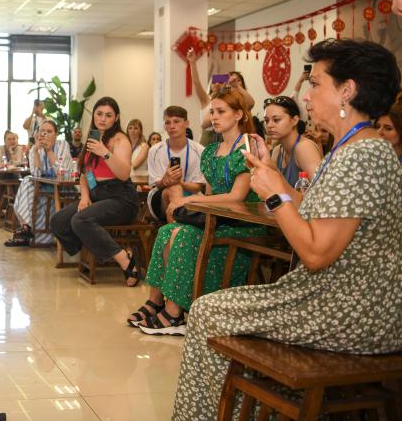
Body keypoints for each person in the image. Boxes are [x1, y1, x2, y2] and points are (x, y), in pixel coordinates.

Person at [172, 38, 402, 420]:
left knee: (209, 312)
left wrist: (276, 195)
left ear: (347, 91)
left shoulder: (362, 155)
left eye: (315, 84)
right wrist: (273, 176)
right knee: (214, 309)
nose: (307, 96)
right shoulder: (356, 148)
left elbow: (314, 253)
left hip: (350, 309)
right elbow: (312, 212)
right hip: (339, 298)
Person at [130, 88, 265, 335]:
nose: (214, 116)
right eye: (212, 111)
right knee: (167, 231)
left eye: (221, 111)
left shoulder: (246, 148)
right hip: (219, 218)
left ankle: (174, 313)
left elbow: (237, 197)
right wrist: (199, 200)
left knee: (182, 235)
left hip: (243, 222)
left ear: (238, 115)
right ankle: (156, 301)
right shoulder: (213, 151)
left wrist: (193, 202)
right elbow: (212, 193)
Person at [50, 97, 141, 286]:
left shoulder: (120, 139)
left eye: (108, 115)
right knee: (58, 221)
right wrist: (84, 197)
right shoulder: (92, 138)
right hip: (97, 194)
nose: (103, 119)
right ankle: (98, 249)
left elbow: (124, 174)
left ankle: (125, 260)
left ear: (116, 118)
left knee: (80, 220)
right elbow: (84, 173)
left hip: (121, 197)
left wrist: (104, 152)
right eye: (99, 114)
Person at [6, 120, 73, 247]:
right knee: (27, 180)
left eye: (49, 131)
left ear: (56, 134)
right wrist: (36, 151)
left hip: (63, 188)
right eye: (43, 131)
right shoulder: (35, 149)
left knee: (27, 184)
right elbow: (36, 174)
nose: (45, 134)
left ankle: (26, 229)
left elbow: (62, 173)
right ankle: (26, 227)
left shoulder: (62, 145)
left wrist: (49, 151)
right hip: (44, 187)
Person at [145, 106, 206, 224]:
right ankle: (176, 231)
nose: (172, 126)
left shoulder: (200, 151)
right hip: (160, 197)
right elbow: (156, 185)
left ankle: (174, 230)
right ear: (164, 126)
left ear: (186, 123)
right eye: (167, 122)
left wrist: (181, 183)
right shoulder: (155, 150)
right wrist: (165, 180)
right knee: (175, 189)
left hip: (192, 194)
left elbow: (198, 186)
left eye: (176, 121)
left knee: (177, 187)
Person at [262, 96, 322, 184]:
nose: (269, 125)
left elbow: (320, 189)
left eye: (276, 120)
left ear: (294, 120)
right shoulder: (277, 151)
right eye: (266, 120)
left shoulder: (304, 148)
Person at [188, 48, 224, 147]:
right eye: (214, 82)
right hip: (208, 138)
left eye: (220, 82)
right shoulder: (207, 99)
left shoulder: (227, 101)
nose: (217, 84)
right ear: (210, 85)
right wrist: (192, 63)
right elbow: (196, 83)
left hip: (223, 138)